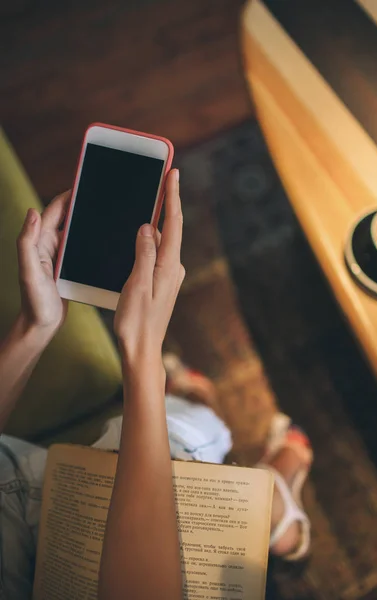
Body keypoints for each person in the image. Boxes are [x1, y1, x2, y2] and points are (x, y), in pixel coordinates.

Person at [0, 170, 312, 600]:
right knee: (186, 438)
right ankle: (281, 506)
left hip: (50, 494)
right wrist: (142, 354)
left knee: (179, 422)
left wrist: (37, 326)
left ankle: (267, 493)